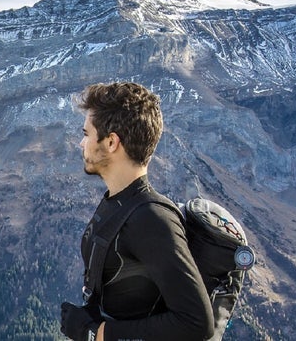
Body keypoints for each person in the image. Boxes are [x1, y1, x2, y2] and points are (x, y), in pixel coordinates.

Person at [60, 82, 214, 341]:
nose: (81, 143)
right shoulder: (119, 203)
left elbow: (196, 323)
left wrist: (97, 334)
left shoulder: (151, 219)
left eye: (86, 134)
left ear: (111, 142)